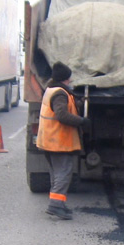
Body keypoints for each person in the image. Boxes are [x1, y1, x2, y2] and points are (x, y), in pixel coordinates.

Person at [36, 61, 90, 221]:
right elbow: (61, 115)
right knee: (63, 173)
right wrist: (82, 121)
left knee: (57, 173)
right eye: (69, 78)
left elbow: (64, 108)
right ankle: (55, 206)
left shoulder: (52, 90)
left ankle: (58, 203)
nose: (71, 81)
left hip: (49, 139)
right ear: (65, 79)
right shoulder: (60, 93)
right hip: (58, 140)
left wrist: (78, 103)